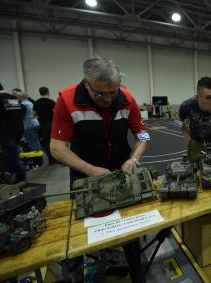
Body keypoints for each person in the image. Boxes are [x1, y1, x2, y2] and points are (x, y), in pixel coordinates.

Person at [50, 57, 148, 282]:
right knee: (86, 232)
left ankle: (136, 271)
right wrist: (89, 169)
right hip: (84, 174)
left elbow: (143, 136)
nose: (107, 98)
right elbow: (57, 148)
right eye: (100, 93)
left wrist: (134, 158)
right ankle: (84, 271)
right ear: (86, 83)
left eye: (112, 92)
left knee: (130, 229)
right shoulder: (66, 100)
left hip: (122, 170)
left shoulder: (128, 99)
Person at [0, 80, 26, 182]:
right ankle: (9, 175)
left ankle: (22, 181)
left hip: (5, 133)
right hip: (18, 131)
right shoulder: (13, 98)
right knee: (12, 155)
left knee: (13, 158)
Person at [33, 86, 56, 165]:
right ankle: (59, 159)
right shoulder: (51, 102)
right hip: (52, 124)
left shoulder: (37, 102)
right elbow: (56, 113)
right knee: (55, 142)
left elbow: (34, 114)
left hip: (43, 125)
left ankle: (51, 160)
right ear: (48, 92)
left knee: (47, 143)